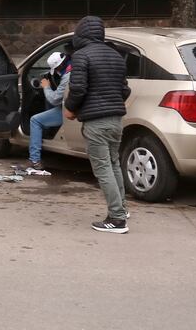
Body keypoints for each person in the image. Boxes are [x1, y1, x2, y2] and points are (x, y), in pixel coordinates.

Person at [63, 15, 131, 234]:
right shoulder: (116, 55)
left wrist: (70, 108)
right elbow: (124, 90)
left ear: (80, 34)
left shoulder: (82, 55)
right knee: (113, 164)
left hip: (96, 122)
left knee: (103, 169)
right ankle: (122, 208)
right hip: (116, 120)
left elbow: (78, 88)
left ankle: (117, 219)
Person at [25, 51, 71, 172]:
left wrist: (46, 86)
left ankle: (34, 160)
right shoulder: (76, 67)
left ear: (60, 66)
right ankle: (48, 133)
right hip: (76, 105)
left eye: (55, 69)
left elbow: (55, 99)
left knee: (35, 120)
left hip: (70, 110)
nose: (55, 72)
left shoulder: (67, 76)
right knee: (47, 104)